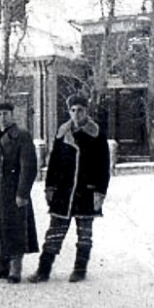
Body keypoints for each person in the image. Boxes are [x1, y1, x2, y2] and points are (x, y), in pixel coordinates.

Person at [29, 93, 110, 283]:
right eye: (73, 110)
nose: (76, 114)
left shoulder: (96, 134)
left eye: (80, 110)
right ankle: (43, 270)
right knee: (54, 233)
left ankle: (80, 269)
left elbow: (103, 167)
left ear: (86, 112)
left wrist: (100, 191)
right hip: (63, 192)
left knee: (84, 234)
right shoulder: (62, 133)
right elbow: (54, 162)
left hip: (86, 191)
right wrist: (50, 187)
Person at [0, 101, 39, 283]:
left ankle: (15, 267)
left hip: (14, 192)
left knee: (16, 227)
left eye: (5, 114)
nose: (2, 118)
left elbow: (28, 167)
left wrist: (22, 193)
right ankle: (1, 264)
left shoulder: (22, 136)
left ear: (12, 115)